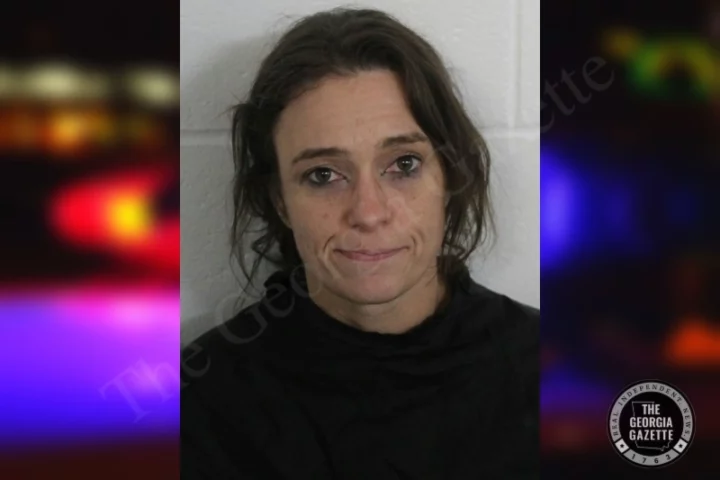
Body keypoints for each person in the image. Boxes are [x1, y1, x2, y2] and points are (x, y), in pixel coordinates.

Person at [181, 7, 539, 479]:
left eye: (404, 165)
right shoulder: (200, 404)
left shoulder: (554, 373)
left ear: (450, 176)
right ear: (280, 200)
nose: (368, 212)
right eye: (323, 175)